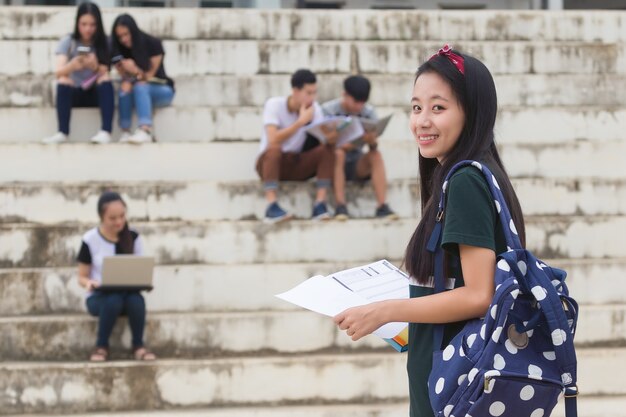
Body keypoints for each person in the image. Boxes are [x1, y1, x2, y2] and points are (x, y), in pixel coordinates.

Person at [333, 46, 526, 417]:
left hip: (454, 386)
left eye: (438, 108)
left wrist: (384, 311)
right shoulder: (473, 174)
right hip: (452, 377)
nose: (422, 121)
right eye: (416, 107)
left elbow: (478, 295)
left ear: (473, 114)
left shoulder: (467, 181)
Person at [77, 191, 156, 362]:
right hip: (100, 297)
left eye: (122, 216)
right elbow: (81, 277)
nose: (119, 222)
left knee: (137, 300)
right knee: (113, 300)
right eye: (112, 218)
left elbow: (139, 267)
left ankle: (138, 345)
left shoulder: (132, 237)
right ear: (102, 217)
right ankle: (101, 346)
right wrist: (89, 282)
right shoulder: (90, 240)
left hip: (128, 295)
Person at [256, 69, 335, 222]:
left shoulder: (314, 109)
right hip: (270, 163)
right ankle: (272, 206)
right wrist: (300, 122)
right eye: (308, 93)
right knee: (274, 149)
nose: (312, 97)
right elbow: (273, 139)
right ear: (295, 91)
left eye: (314, 93)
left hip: (297, 163)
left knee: (328, 150)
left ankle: (320, 204)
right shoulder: (274, 105)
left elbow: (323, 141)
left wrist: (332, 135)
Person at [322, 75, 397, 220]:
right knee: (338, 153)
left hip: (356, 162)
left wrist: (371, 141)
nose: (359, 106)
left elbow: (373, 146)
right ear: (344, 95)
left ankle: (382, 206)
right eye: (356, 101)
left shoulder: (368, 112)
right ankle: (340, 205)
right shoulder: (328, 110)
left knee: (376, 155)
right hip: (333, 164)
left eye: (362, 102)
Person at [42, 2, 114, 144]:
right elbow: (58, 72)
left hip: (95, 92)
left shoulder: (105, 42)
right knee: (63, 79)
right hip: (74, 92)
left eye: (92, 25)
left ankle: (106, 131)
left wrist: (94, 66)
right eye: (84, 24)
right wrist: (73, 66)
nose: (88, 29)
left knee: (105, 78)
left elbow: (107, 70)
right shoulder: (68, 41)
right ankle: (62, 132)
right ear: (77, 23)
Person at [110, 14, 175, 144]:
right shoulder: (119, 49)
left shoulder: (153, 43)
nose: (124, 39)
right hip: (138, 90)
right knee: (125, 89)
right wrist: (125, 73)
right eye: (120, 36)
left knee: (140, 86)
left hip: (161, 89)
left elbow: (148, 77)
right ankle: (125, 130)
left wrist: (135, 70)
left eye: (126, 34)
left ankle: (145, 129)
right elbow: (127, 78)